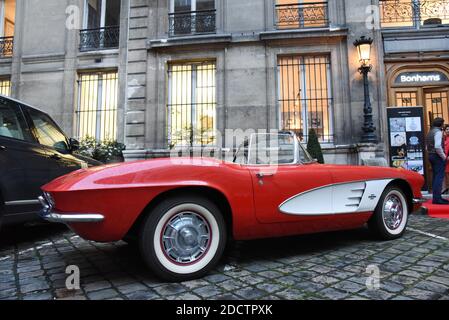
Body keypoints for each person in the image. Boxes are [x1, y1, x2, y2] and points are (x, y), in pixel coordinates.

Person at [426, 118, 449, 205]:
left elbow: (427, 147)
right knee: (439, 177)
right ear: (440, 124)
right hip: (437, 156)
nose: (443, 125)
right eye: (443, 124)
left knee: (436, 177)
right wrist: (444, 157)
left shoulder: (430, 132)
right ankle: (437, 199)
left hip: (431, 156)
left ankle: (436, 198)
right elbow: (438, 146)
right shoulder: (438, 132)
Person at [443, 124, 449, 194]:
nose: (448, 130)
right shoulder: (443, 138)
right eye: (447, 129)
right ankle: (446, 188)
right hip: (445, 159)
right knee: (446, 174)